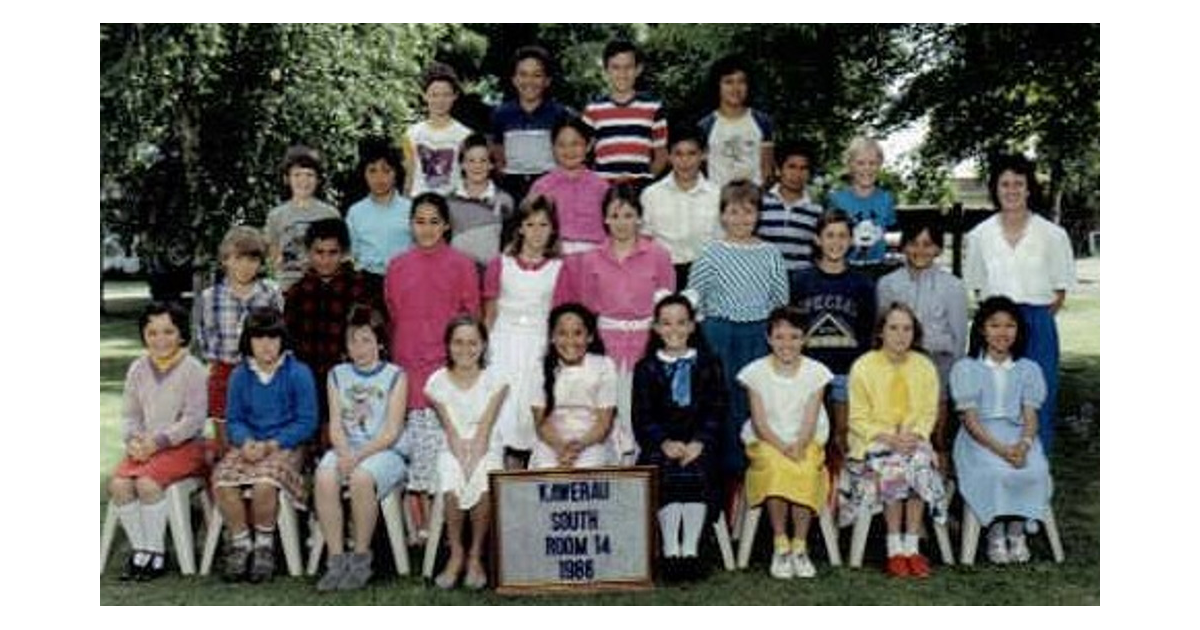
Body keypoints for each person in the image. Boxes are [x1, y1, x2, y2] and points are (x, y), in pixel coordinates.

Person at [384, 192, 481, 540]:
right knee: (414, 448)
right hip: (407, 371)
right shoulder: (396, 266)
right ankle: (420, 527)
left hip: (448, 373)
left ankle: (451, 525)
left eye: (434, 222)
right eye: (420, 221)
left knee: (447, 449)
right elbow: (393, 316)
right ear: (411, 225)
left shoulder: (462, 265)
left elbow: (472, 320)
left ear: (447, 225)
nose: (426, 229)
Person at [964, 154, 1075, 453]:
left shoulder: (1053, 235)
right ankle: (995, 470)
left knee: (1039, 399)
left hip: (1038, 324)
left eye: (1018, 184)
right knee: (992, 399)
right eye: (1004, 184)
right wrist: (998, 327)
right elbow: (975, 287)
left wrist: (1028, 322)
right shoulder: (979, 236)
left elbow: (1059, 292)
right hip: (993, 325)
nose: (1011, 190)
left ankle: (1034, 475)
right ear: (995, 189)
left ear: (1028, 188)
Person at [686, 180, 788, 498]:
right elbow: (694, 297)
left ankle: (755, 482)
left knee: (754, 403)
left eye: (748, 212)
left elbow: (780, 300)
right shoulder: (710, 252)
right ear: (722, 215)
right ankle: (720, 482)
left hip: (758, 337)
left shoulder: (771, 253)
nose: (741, 219)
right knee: (721, 402)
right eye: (733, 211)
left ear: (758, 215)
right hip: (719, 335)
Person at [561, 184, 675, 464]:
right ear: (605, 219)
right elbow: (586, 309)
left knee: (642, 408)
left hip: (647, 342)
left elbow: (668, 305)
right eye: (614, 215)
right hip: (606, 343)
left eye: (628, 215)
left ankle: (641, 470)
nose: (621, 222)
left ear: (638, 217)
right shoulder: (591, 259)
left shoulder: (658, 255)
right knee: (607, 407)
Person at [841, 303, 947, 579]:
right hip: (873, 441)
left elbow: (928, 412)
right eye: (893, 328)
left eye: (907, 328)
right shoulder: (864, 366)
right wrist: (889, 438)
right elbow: (858, 418)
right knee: (894, 465)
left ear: (915, 333)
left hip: (912, 439)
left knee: (920, 461)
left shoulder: (924, 366)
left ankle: (911, 546)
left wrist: (916, 435)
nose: (901, 335)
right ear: (881, 332)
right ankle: (893, 548)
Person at [212, 307, 318, 583]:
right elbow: (234, 419)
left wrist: (273, 444)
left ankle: (264, 545)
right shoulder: (240, 375)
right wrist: (245, 441)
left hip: (286, 445)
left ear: (283, 340)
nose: (266, 345)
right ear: (249, 341)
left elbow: (307, 421)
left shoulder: (298, 372)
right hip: (249, 444)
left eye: (273, 338)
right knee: (223, 480)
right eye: (259, 338)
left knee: (264, 483)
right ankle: (240, 542)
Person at [108, 302, 209, 581]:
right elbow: (130, 414)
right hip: (146, 447)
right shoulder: (137, 369)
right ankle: (142, 550)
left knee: (147, 484)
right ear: (143, 335)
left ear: (181, 334)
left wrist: (159, 442)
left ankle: (157, 554)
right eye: (152, 333)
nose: (160, 339)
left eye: (168, 331)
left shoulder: (193, 369)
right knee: (118, 484)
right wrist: (133, 441)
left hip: (184, 446)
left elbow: (193, 420)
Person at [950, 296, 1052, 565]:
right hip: (979, 439)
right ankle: (995, 533)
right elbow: (970, 420)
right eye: (994, 325)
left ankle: (1016, 532)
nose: (1002, 332)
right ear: (982, 329)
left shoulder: (1028, 369)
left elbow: (1030, 416)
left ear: (1018, 331)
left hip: (1018, 435)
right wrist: (1000, 449)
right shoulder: (966, 368)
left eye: (1010, 326)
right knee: (994, 471)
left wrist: (1024, 444)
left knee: (1035, 469)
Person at [314, 306, 407, 591]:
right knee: (324, 476)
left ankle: (361, 556)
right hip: (346, 448)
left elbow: (391, 431)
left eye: (366, 340)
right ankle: (336, 558)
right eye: (353, 340)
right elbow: (336, 425)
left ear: (379, 341)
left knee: (361, 478)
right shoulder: (337, 375)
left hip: (383, 452)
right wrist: (343, 453)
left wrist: (357, 457)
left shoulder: (395, 375)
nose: (359, 347)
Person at [633, 293, 727, 575]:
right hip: (660, 445)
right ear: (656, 328)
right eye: (666, 323)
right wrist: (663, 442)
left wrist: (700, 442)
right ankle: (672, 550)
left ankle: (692, 549)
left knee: (697, 472)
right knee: (666, 472)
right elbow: (642, 416)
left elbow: (717, 408)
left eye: (681, 323)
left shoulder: (709, 363)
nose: (674, 330)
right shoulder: (646, 368)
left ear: (692, 326)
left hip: (700, 445)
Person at [738, 306, 832, 580]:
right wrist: (781, 447)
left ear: (804, 339)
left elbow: (811, 417)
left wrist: (800, 445)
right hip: (767, 439)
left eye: (794, 336)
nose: (787, 344)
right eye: (780, 337)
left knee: (803, 469)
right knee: (776, 469)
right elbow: (759, 422)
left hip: (806, 437)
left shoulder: (817, 373)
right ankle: (780, 543)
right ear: (769, 338)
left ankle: (800, 546)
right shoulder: (754, 372)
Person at [483, 195, 571, 469]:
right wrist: (484, 354)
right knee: (500, 419)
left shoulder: (559, 269)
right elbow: (489, 313)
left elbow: (561, 319)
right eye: (530, 224)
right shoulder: (500, 264)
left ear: (553, 229)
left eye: (543, 225)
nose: (536, 231)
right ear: (520, 227)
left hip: (539, 348)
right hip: (503, 346)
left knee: (533, 419)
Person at [877, 220, 968, 471]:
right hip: (897, 368)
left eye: (928, 244)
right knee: (901, 432)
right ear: (904, 247)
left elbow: (959, 337)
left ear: (938, 249)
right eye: (914, 244)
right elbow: (881, 331)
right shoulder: (887, 284)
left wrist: (954, 381)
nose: (920, 250)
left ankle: (940, 491)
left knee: (937, 436)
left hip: (938, 368)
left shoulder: (953, 286)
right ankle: (900, 485)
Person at [425, 317, 509, 589]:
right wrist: (462, 458)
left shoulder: (495, 379)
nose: (465, 349)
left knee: (485, 478)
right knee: (451, 476)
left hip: (486, 443)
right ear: (448, 346)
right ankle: (456, 551)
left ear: (483, 345)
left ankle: (476, 554)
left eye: (473, 342)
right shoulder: (437, 381)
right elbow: (449, 429)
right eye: (458, 342)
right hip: (452, 444)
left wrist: (474, 459)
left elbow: (485, 429)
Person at [789, 209, 876, 471]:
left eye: (842, 236)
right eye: (829, 235)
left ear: (851, 240)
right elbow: (791, 330)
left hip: (845, 372)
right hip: (808, 372)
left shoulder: (862, 283)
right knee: (809, 436)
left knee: (843, 437)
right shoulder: (800, 281)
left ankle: (843, 496)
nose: (835, 242)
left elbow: (868, 331)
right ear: (817, 239)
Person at [284, 218, 376, 451]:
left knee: (345, 442)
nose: (325, 260)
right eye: (319, 252)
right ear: (308, 253)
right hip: (309, 380)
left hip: (349, 380)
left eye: (332, 253)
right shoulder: (297, 293)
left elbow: (371, 337)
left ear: (344, 252)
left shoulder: (359, 289)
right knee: (308, 444)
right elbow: (288, 341)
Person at [196, 226, 284, 454]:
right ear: (225, 259)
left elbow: (279, 335)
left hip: (262, 372)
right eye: (238, 258)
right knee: (225, 446)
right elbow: (205, 337)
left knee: (258, 442)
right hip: (224, 372)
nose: (245, 266)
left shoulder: (270, 293)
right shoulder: (210, 297)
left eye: (252, 259)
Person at [529, 303, 618, 469]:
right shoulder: (540, 368)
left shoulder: (604, 366)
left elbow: (604, 423)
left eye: (577, 333)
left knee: (589, 467)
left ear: (590, 336)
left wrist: (578, 448)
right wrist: (561, 448)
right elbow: (541, 422)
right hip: (552, 440)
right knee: (546, 467)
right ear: (552, 337)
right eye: (562, 333)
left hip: (591, 439)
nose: (570, 340)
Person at [640, 124, 722, 287]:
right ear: (669, 156)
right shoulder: (651, 194)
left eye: (692, 154)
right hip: (663, 274)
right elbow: (644, 239)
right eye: (678, 154)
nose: (685, 161)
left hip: (707, 274)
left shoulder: (717, 195)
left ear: (703, 154)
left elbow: (722, 241)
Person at [490, 45, 573, 203]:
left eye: (537, 75)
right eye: (523, 74)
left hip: (550, 186)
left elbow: (565, 155)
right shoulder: (501, 114)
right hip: (512, 187)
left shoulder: (559, 114)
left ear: (547, 80)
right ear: (514, 79)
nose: (529, 81)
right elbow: (498, 155)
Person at [581, 39, 668, 186]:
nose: (622, 73)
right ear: (606, 70)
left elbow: (661, 155)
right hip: (604, 190)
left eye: (628, 67)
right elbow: (581, 154)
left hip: (640, 191)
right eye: (616, 67)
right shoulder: (592, 110)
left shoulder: (653, 108)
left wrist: (645, 181)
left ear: (638, 69)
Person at [263, 145, 340, 291]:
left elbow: (340, 256)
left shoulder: (330, 214)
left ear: (318, 179)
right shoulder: (276, 215)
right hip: (288, 288)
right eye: (297, 175)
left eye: (309, 175)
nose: (303, 180)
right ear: (287, 178)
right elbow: (273, 255)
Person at [528, 117, 609, 254]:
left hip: (595, 255)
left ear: (588, 146)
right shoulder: (541, 187)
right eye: (561, 145)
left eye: (575, 144)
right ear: (552, 148)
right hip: (553, 253)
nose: (569, 150)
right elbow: (530, 225)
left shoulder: (601, 186)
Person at [345, 137, 413, 295]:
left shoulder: (411, 210)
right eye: (372, 171)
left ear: (396, 173)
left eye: (386, 170)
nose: (379, 178)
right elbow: (350, 254)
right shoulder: (356, 212)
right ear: (364, 174)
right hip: (367, 284)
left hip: (405, 281)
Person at [697, 55, 774, 188]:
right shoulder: (705, 125)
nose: (735, 88)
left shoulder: (762, 121)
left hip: (753, 202)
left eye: (741, 81)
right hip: (718, 201)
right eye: (728, 82)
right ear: (718, 86)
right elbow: (701, 171)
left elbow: (767, 169)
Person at [403, 62, 473, 196]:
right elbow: (409, 178)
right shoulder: (411, 134)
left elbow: (470, 179)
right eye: (434, 95)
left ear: (455, 96)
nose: (440, 101)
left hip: (452, 207)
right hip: (419, 208)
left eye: (446, 95)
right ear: (425, 95)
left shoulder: (466, 136)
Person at [446, 133, 516, 267]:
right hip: (458, 272)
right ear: (461, 164)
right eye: (471, 161)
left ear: (491, 164)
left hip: (491, 272)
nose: (477, 166)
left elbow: (510, 242)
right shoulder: (448, 201)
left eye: (483, 160)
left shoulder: (505, 200)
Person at [827, 137, 895, 270]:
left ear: (880, 165)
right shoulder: (837, 199)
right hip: (845, 268)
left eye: (872, 163)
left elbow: (891, 234)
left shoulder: (886, 199)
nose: (867, 168)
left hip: (878, 268)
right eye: (861, 163)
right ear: (850, 165)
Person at [757, 140, 824, 272]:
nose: (797, 174)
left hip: (801, 283)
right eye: (791, 167)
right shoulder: (761, 203)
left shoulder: (817, 210)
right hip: (765, 280)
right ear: (779, 170)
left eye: (803, 168)